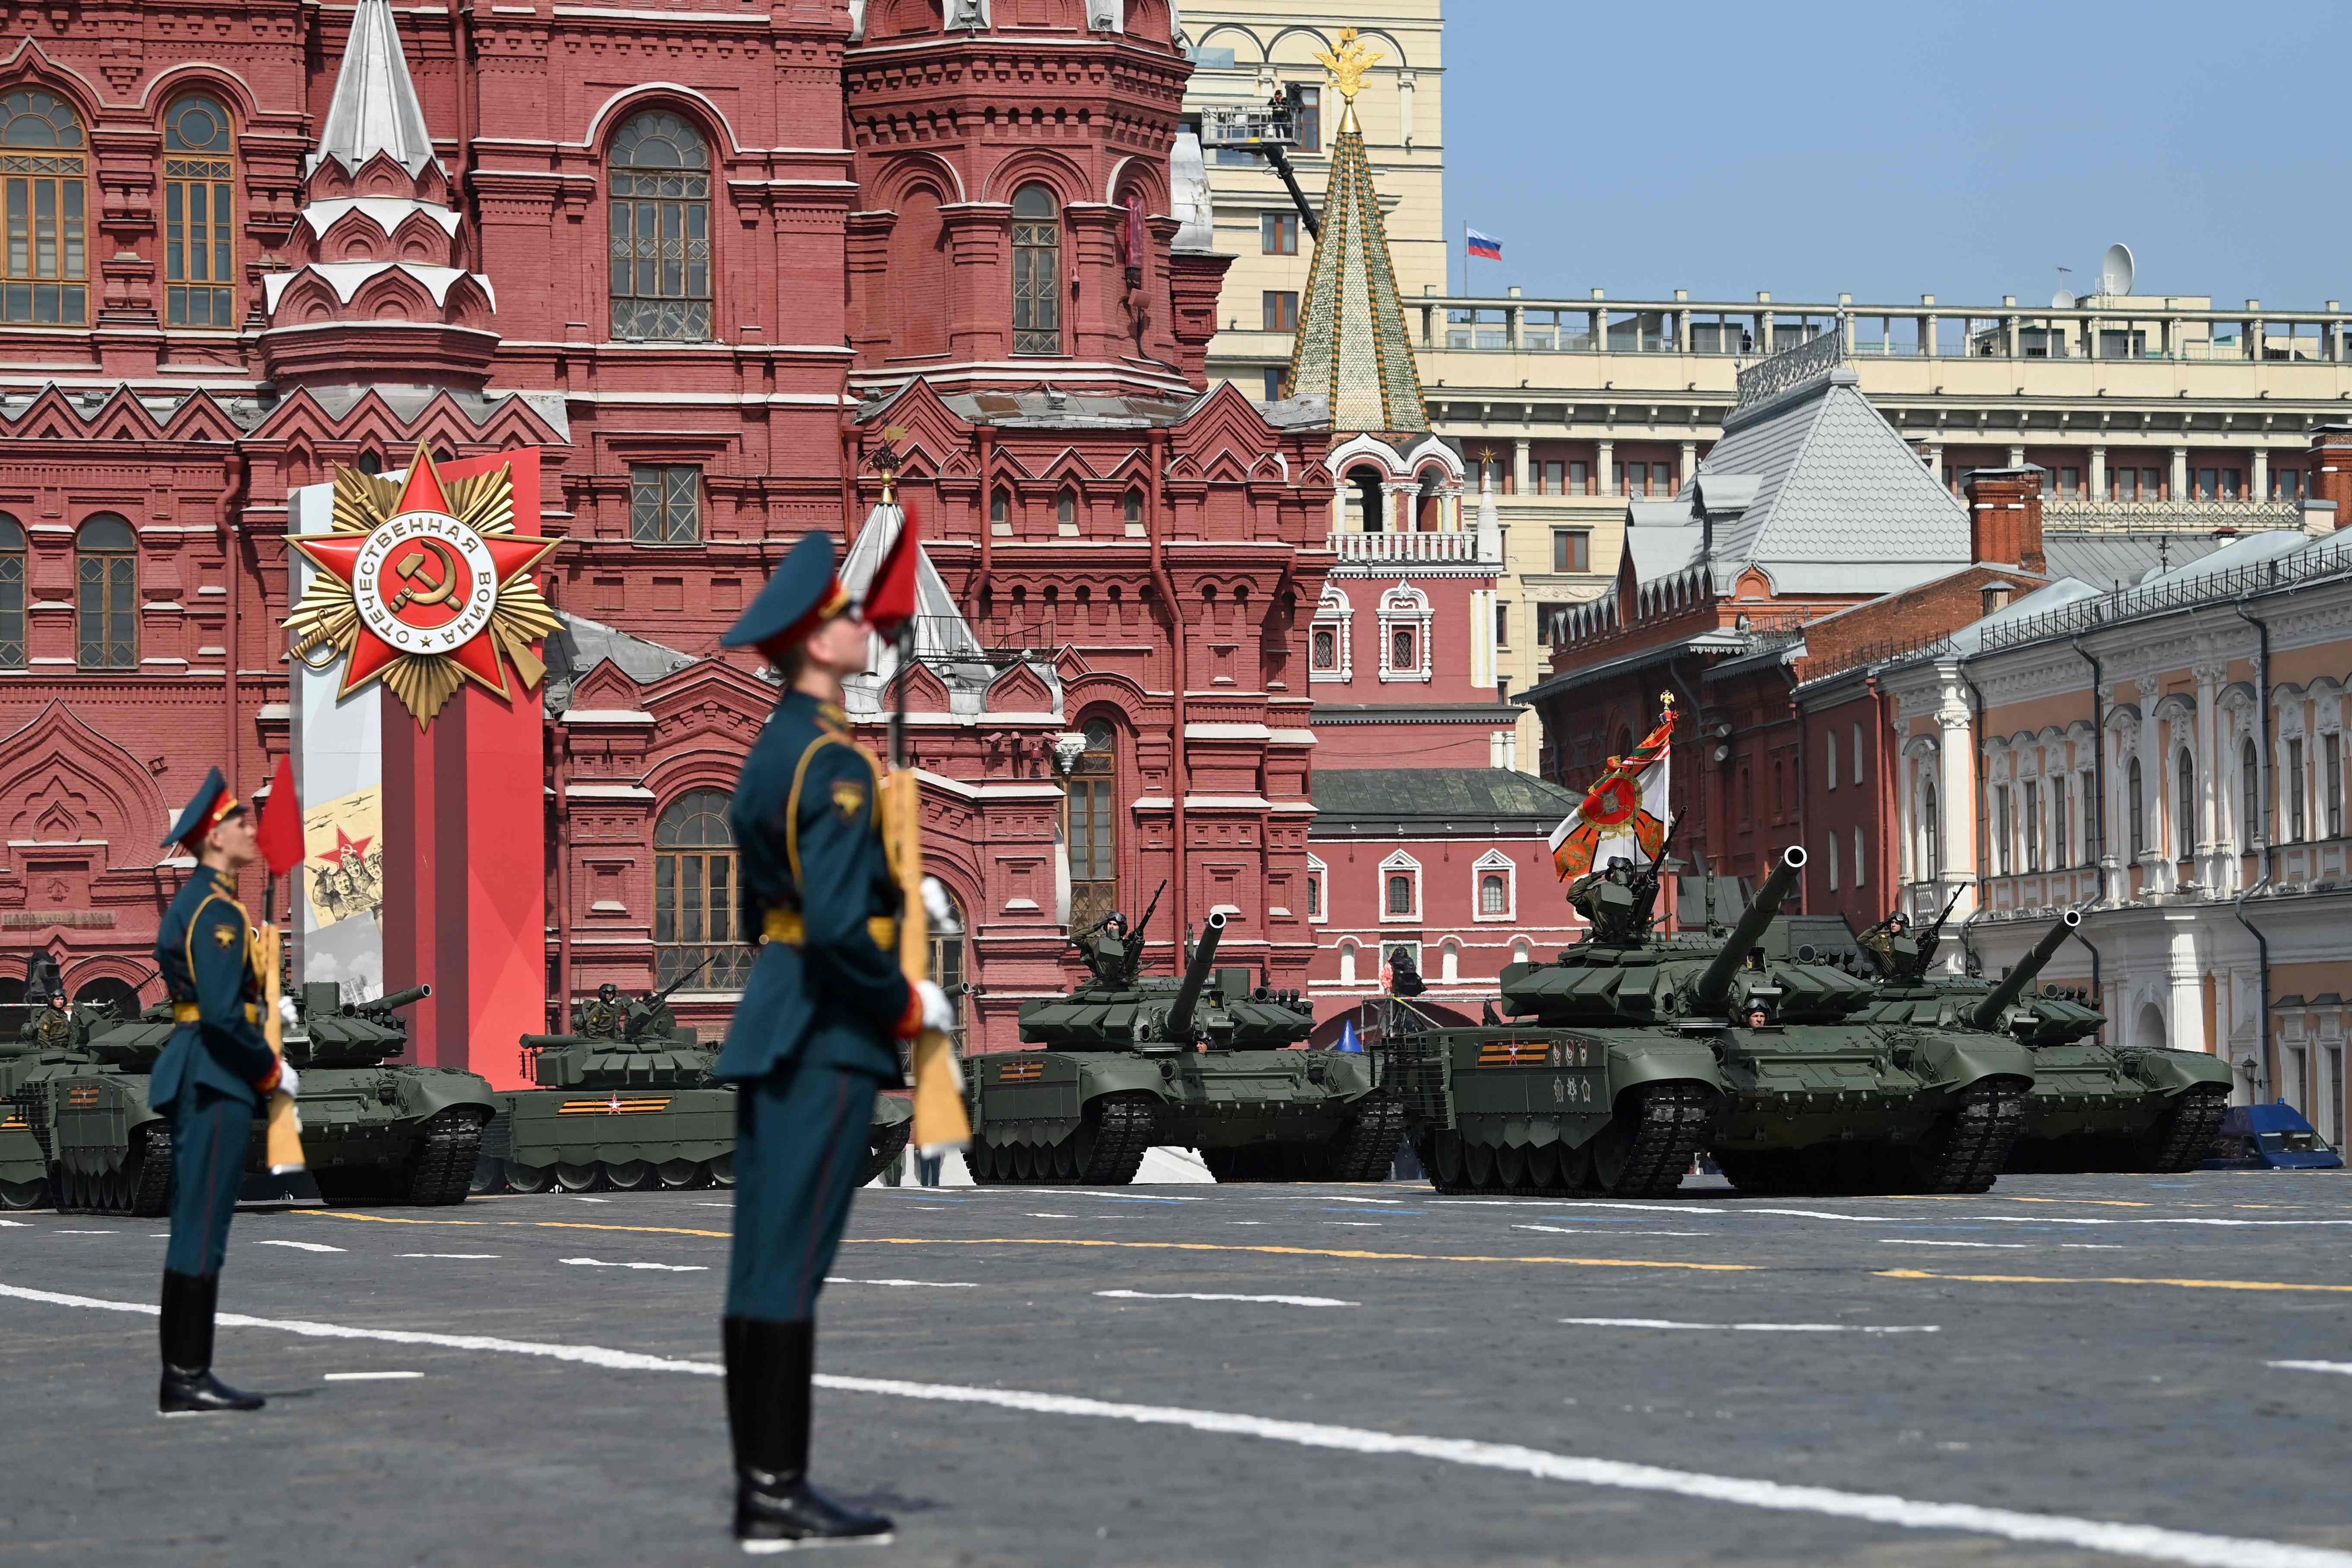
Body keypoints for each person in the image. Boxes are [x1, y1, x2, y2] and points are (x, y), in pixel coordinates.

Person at [713, 530, 953, 1553]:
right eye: (849, 617)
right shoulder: (832, 764)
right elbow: (833, 922)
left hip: (781, 1019)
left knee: (768, 1260)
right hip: (823, 1029)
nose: (866, 627)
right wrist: (908, 1003)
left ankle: (764, 1491)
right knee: (792, 1264)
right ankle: (777, 1488)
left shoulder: (777, 752)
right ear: (817, 643)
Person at [149, 767, 296, 1416]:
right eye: (241, 822)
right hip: (214, 1071)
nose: (252, 831)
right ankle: (185, 1376)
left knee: (200, 1225)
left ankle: (186, 1374)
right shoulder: (215, 910)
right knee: (201, 1227)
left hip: (207, 1066)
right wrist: (268, 1068)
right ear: (214, 838)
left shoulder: (215, 903)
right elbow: (216, 1009)